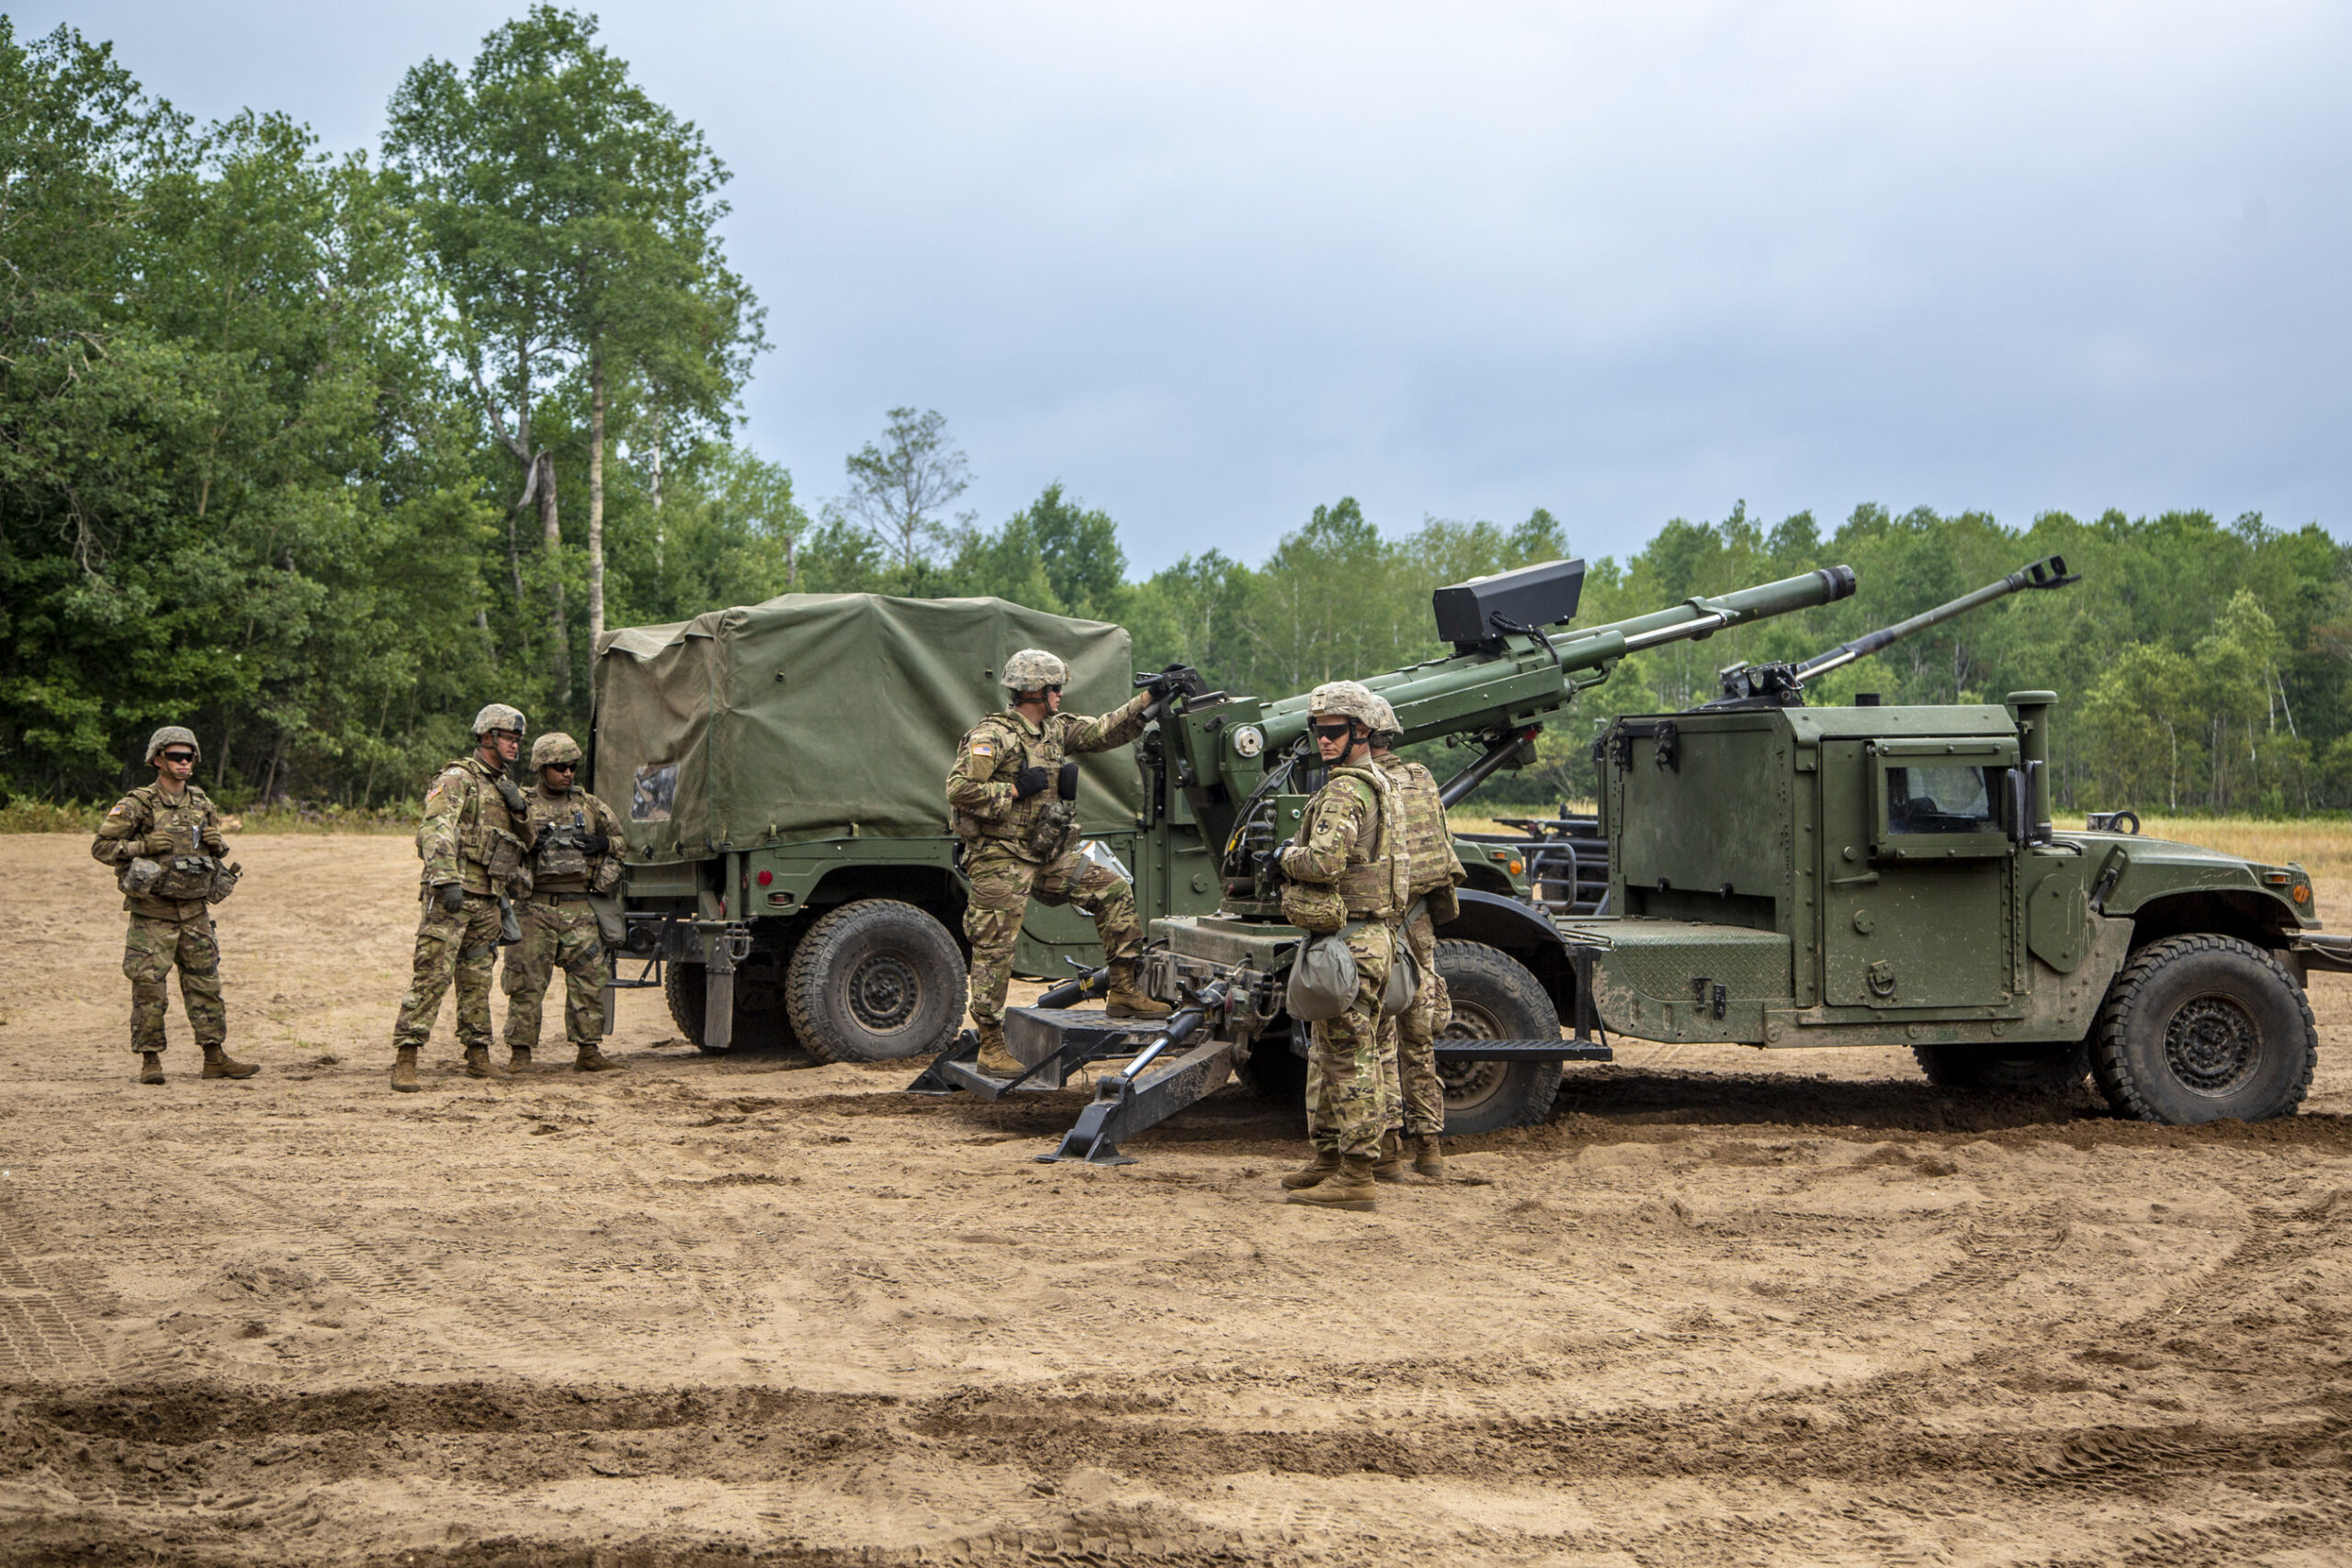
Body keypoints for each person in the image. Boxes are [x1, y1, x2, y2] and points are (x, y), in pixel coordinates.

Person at [946, 649, 1183, 1075]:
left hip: (1044, 855)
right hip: (1000, 858)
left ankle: (1125, 992)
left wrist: (1149, 700)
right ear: (1035, 691)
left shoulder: (1054, 730)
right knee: (995, 948)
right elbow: (960, 789)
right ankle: (990, 1043)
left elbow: (1105, 731)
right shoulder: (993, 736)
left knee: (1111, 889)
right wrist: (1015, 791)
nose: (1061, 695)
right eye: (1056, 688)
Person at [1271, 681, 1410, 1211]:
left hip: (1350, 943)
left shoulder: (1345, 792)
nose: (1322, 741)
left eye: (1333, 732)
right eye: (1317, 731)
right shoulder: (1385, 786)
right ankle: (1330, 1159)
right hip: (1373, 937)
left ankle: (1356, 1178)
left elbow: (1325, 863)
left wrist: (1285, 855)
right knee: (1331, 1053)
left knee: (1349, 1057)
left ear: (1362, 732)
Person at [89, 728, 255, 1085]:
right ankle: (151, 1062)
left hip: (195, 911)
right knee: (150, 989)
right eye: (176, 756)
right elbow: (101, 847)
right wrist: (142, 847)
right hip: (153, 912)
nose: (184, 763)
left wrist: (219, 845)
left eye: (189, 756)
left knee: (205, 986)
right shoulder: (137, 804)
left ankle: (214, 1058)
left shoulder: (202, 803)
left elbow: (206, 854)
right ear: (157, 760)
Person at [389, 704, 532, 1091]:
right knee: (431, 975)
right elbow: (435, 828)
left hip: (488, 898)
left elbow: (526, 843)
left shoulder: (503, 787)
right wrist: (445, 880)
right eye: (509, 738)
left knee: (477, 979)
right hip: (453, 894)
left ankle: (478, 1055)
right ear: (487, 738)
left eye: (519, 739)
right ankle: (406, 1058)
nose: (516, 745)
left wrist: (520, 809)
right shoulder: (457, 778)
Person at [1364, 694, 1465, 1182]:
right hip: (1420, 923)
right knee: (1419, 1041)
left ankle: (1387, 1151)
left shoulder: (1363, 786)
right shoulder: (1422, 779)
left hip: (1381, 926)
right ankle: (1431, 1150)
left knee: (1379, 1038)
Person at [501, 732, 628, 1075]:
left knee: (589, 980)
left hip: (579, 906)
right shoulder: (522, 806)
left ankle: (588, 1051)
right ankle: (521, 1054)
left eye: (571, 767)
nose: (567, 773)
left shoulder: (589, 805)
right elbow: (501, 846)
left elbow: (620, 843)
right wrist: (528, 843)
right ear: (541, 768)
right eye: (559, 767)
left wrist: (602, 843)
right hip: (533, 907)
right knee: (525, 982)